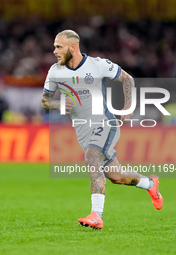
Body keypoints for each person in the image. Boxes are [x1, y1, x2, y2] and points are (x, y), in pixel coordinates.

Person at [41, 30, 163, 230]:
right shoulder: (55, 71)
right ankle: (150, 184)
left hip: (105, 122)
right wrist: (58, 103)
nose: (54, 51)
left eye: (58, 46)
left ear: (73, 47)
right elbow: (45, 100)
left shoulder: (97, 65)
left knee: (92, 157)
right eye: (54, 46)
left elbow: (127, 79)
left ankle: (97, 215)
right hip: (82, 130)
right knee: (117, 176)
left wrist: (128, 106)